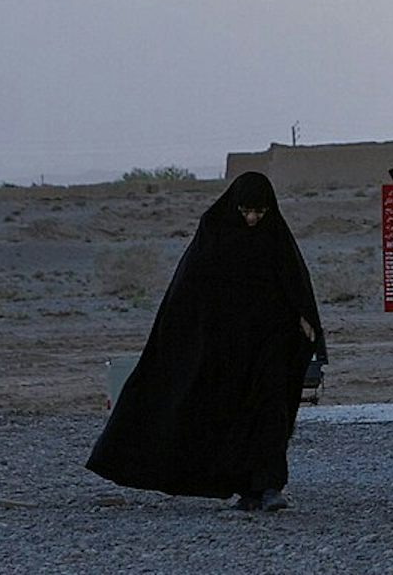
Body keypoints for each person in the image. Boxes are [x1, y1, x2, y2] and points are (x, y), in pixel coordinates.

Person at [87, 171, 325, 511]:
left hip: (270, 342)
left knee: (271, 410)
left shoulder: (275, 235)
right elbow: (189, 293)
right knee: (227, 413)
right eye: (246, 211)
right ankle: (246, 487)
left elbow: (294, 281)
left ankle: (269, 486)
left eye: (260, 212)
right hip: (227, 349)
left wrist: (305, 318)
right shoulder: (215, 232)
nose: (253, 219)